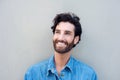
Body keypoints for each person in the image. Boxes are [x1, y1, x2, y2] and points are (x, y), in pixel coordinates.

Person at [24, 12, 97, 80]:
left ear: (76, 39)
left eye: (67, 33)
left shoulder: (88, 75)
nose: (60, 38)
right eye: (58, 32)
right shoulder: (33, 74)